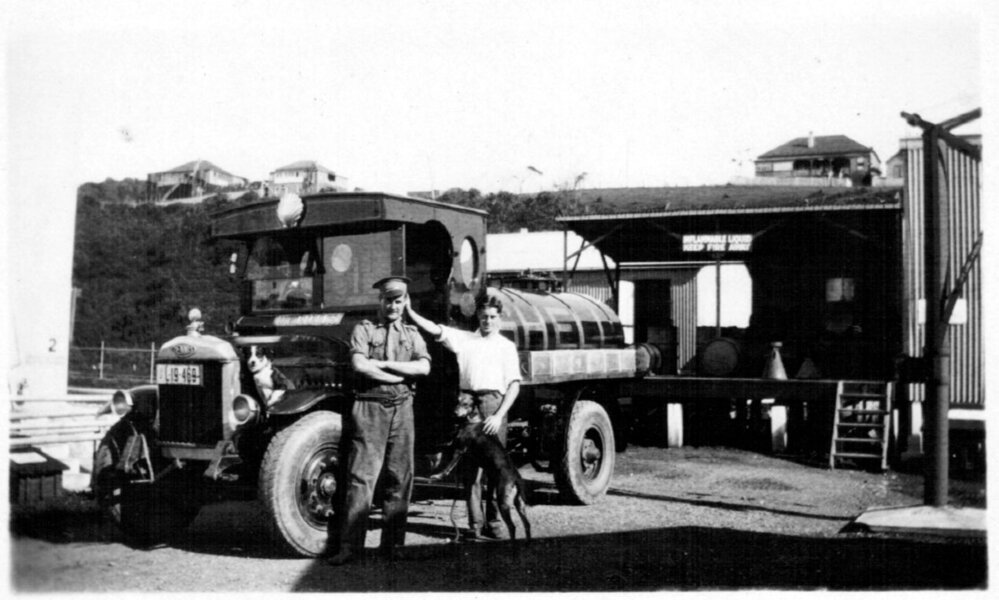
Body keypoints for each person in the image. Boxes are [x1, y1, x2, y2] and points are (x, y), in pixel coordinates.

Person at [327, 276, 431, 565]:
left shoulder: (412, 333)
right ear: (380, 301)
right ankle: (349, 546)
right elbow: (360, 364)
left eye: (399, 301)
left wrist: (385, 365)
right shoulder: (364, 329)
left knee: (400, 478)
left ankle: (393, 545)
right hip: (370, 407)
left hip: (402, 409)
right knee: (362, 478)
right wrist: (397, 376)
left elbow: (423, 366)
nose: (393, 306)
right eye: (389, 300)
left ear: (405, 302)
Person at [405, 293, 521, 540]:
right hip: (468, 406)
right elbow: (436, 330)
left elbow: (514, 386)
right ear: (478, 317)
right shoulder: (465, 340)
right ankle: (475, 524)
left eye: (492, 317)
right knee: (470, 470)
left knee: (495, 468)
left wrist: (499, 416)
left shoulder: (506, 347)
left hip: (493, 405)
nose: (487, 321)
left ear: (499, 318)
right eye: (484, 316)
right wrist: (410, 312)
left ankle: (494, 521)